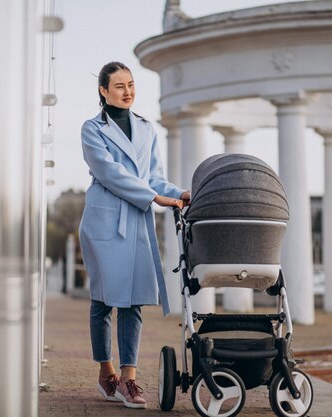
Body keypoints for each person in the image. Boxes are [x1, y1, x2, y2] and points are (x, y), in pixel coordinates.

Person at [78, 61, 190, 409]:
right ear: (103, 91)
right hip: (104, 219)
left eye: (131, 85)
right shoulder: (91, 128)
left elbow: (152, 175)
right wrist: (154, 197)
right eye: (119, 86)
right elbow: (108, 172)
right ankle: (106, 372)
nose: (128, 91)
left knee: (134, 301)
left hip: (136, 220)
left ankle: (129, 379)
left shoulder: (146, 128)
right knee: (103, 300)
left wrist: (177, 192)